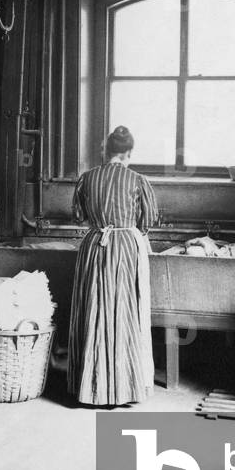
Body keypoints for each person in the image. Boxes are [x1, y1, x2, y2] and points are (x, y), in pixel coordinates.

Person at [68, 126, 159, 406]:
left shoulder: (87, 178)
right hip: (126, 248)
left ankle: (91, 388)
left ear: (104, 152)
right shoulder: (138, 179)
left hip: (94, 245)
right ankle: (123, 388)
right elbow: (148, 221)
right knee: (125, 312)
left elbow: (78, 215)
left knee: (94, 309)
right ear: (129, 153)